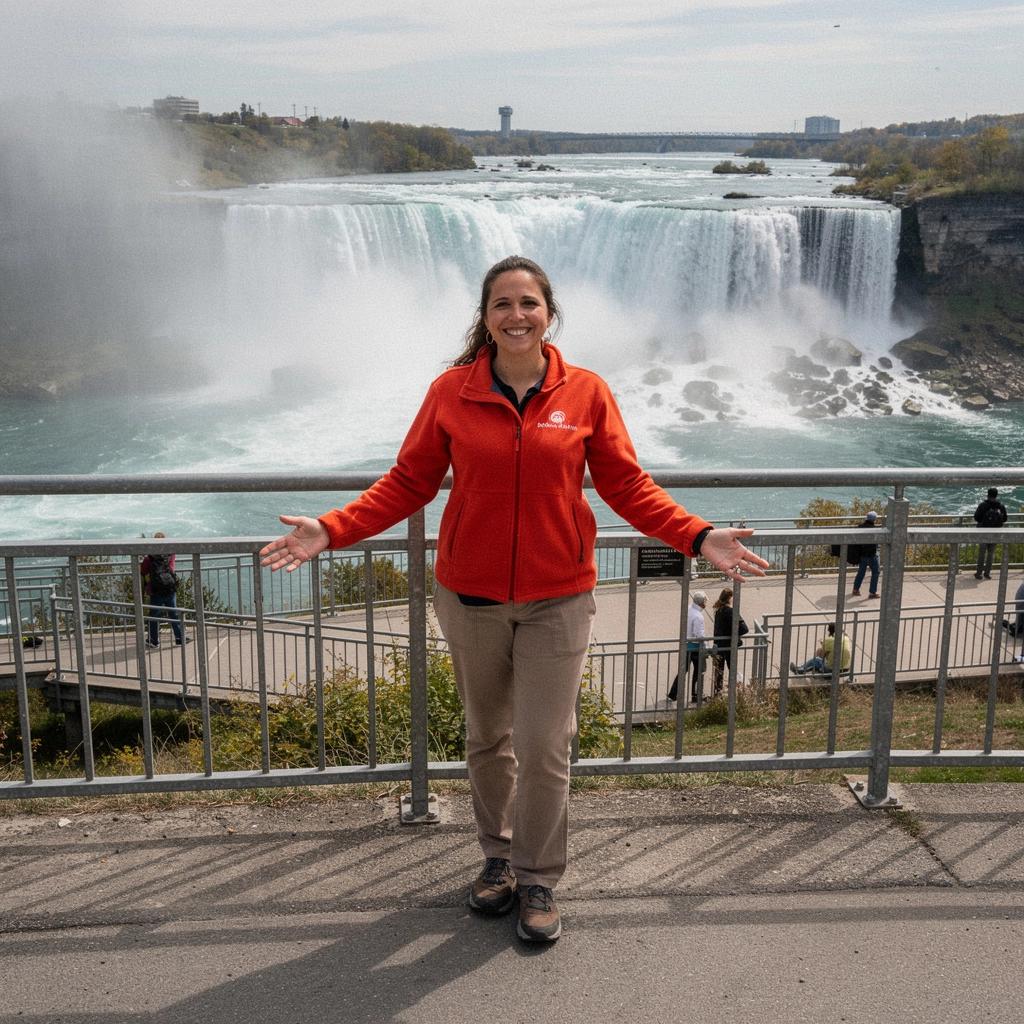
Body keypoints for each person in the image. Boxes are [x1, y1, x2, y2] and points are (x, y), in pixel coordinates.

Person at [259, 255, 769, 945]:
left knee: (543, 743)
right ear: (486, 317)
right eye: (503, 303)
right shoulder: (451, 392)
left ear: (548, 313)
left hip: (558, 596)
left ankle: (537, 877)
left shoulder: (585, 393)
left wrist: (698, 534)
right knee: (487, 738)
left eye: (529, 302)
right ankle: (496, 857)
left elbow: (627, 486)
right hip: (468, 597)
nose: (517, 314)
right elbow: (408, 482)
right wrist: (333, 528)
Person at [141, 532, 188, 648]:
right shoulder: (171, 554)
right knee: (173, 613)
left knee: (154, 616)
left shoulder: (149, 558)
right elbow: (171, 569)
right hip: (169, 588)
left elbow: (143, 571)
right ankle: (179, 638)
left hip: (156, 590)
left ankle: (153, 640)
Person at [667, 590, 710, 703]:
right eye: (705, 601)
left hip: (686, 646)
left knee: (683, 670)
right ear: (702, 603)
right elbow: (699, 635)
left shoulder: (689, 610)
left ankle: (673, 694)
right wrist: (706, 646)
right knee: (700, 671)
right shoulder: (698, 616)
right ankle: (696, 695)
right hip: (696, 648)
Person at [710, 586, 748, 694]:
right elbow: (744, 629)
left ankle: (718, 693)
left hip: (719, 645)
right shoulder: (730, 611)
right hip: (729, 645)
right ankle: (733, 692)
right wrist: (735, 634)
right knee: (732, 669)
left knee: (719, 671)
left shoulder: (718, 611)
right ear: (730, 598)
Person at [974, 487, 1007, 580]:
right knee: (991, 553)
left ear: (988, 495)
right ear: (996, 495)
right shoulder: (1000, 506)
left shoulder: (983, 505)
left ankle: (979, 573)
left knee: (982, 553)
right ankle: (987, 573)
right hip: (995, 532)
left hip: (983, 532)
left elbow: (976, 517)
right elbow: (1004, 519)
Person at [851, 510, 880, 599]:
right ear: (874, 520)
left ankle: (855, 589)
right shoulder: (875, 530)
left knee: (861, 572)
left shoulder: (860, 527)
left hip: (862, 555)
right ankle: (872, 592)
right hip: (872, 554)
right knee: (875, 572)